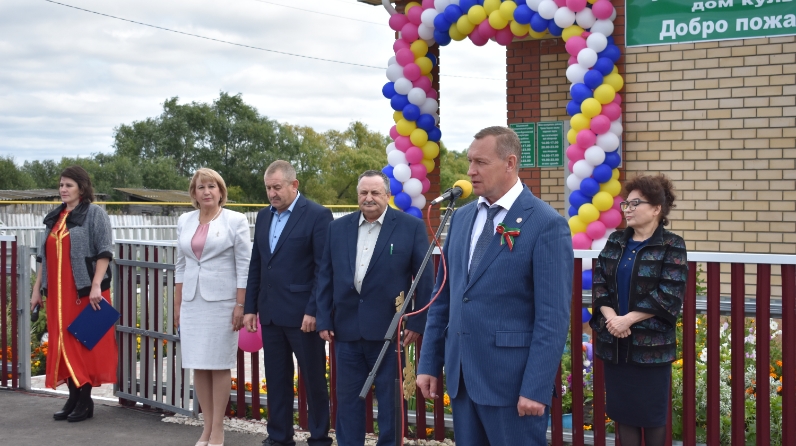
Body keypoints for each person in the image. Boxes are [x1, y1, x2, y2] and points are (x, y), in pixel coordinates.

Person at [417, 126, 573, 446]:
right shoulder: (460, 219)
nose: (471, 171)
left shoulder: (546, 224)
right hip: (463, 380)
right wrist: (430, 362)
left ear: (509, 163)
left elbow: (552, 316)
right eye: (469, 161)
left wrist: (536, 387)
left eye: (480, 162)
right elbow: (444, 297)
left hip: (511, 385)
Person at [315, 170, 433, 446]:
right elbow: (325, 276)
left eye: (375, 193)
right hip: (346, 331)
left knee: (391, 405)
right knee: (347, 403)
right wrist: (324, 318)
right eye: (363, 193)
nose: (368, 198)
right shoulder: (338, 228)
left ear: (387, 196)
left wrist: (417, 323)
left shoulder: (409, 227)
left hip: (389, 334)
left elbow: (425, 279)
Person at [590, 174, 687, 446]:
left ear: (656, 208)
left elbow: (669, 293)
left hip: (651, 349)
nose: (628, 209)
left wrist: (628, 320)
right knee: (624, 416)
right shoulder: (616, 241)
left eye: (635, 203)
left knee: (652, 418)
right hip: (616, 347)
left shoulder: (671, 245)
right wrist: (612, 320)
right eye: (626, 204)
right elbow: (599, 283)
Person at [243, 161, 334, 446]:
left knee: (314, 381)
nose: (272, 193)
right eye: (268, 188)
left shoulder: (318, 216)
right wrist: (249, 307)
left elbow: (324, 268)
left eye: (277, 187)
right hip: (269, 314)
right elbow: (257, 264)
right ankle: (279, 437)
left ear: (294, 185)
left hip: (302, 317)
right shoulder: (263, 217)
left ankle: (319, 438)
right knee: (277, 380)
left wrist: (313, 310)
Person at [30, 165, 117, 423]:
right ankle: (73, 396)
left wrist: (95, 286)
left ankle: (84, 400)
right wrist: (37, 290)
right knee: (61, 343)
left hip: (84, 293)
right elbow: (44, 258)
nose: (63, 189)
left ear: (81, 187)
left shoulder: (94, 214)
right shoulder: (54, 216)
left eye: (68, 185)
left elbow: (104, 252)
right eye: (61, 185)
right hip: (57, 295)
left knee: (81, 344)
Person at [175, 168, 252, 446]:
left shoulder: (235, 220)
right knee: (198, 365)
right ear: (193, 193)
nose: (206, 191)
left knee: (218, 365)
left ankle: (218, 429)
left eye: (211, 186)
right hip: (192, 304)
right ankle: (206, 428)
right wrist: (177, 305)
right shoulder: (184, 220)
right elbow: (180, 265)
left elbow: (244, 265)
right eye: (200, 187)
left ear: (221, 191)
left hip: (223, 303)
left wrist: (240, 305)